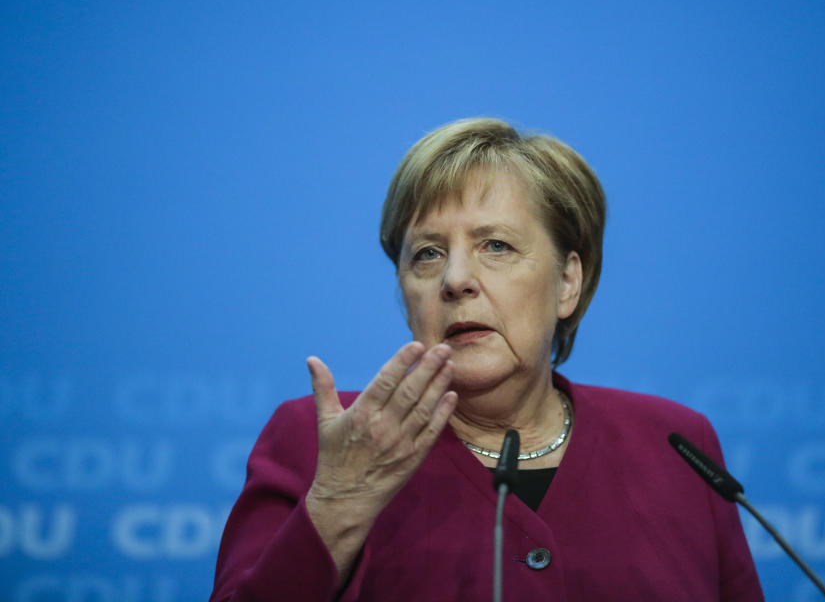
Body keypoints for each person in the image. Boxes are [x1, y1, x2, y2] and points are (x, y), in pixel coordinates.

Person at [209, 118, 764, 601]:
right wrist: (336, 506)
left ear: (568, 281)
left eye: (495, 246)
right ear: (405, 294)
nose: (454, 280)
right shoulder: (319, 443)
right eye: (426, 254)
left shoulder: (675, 447)